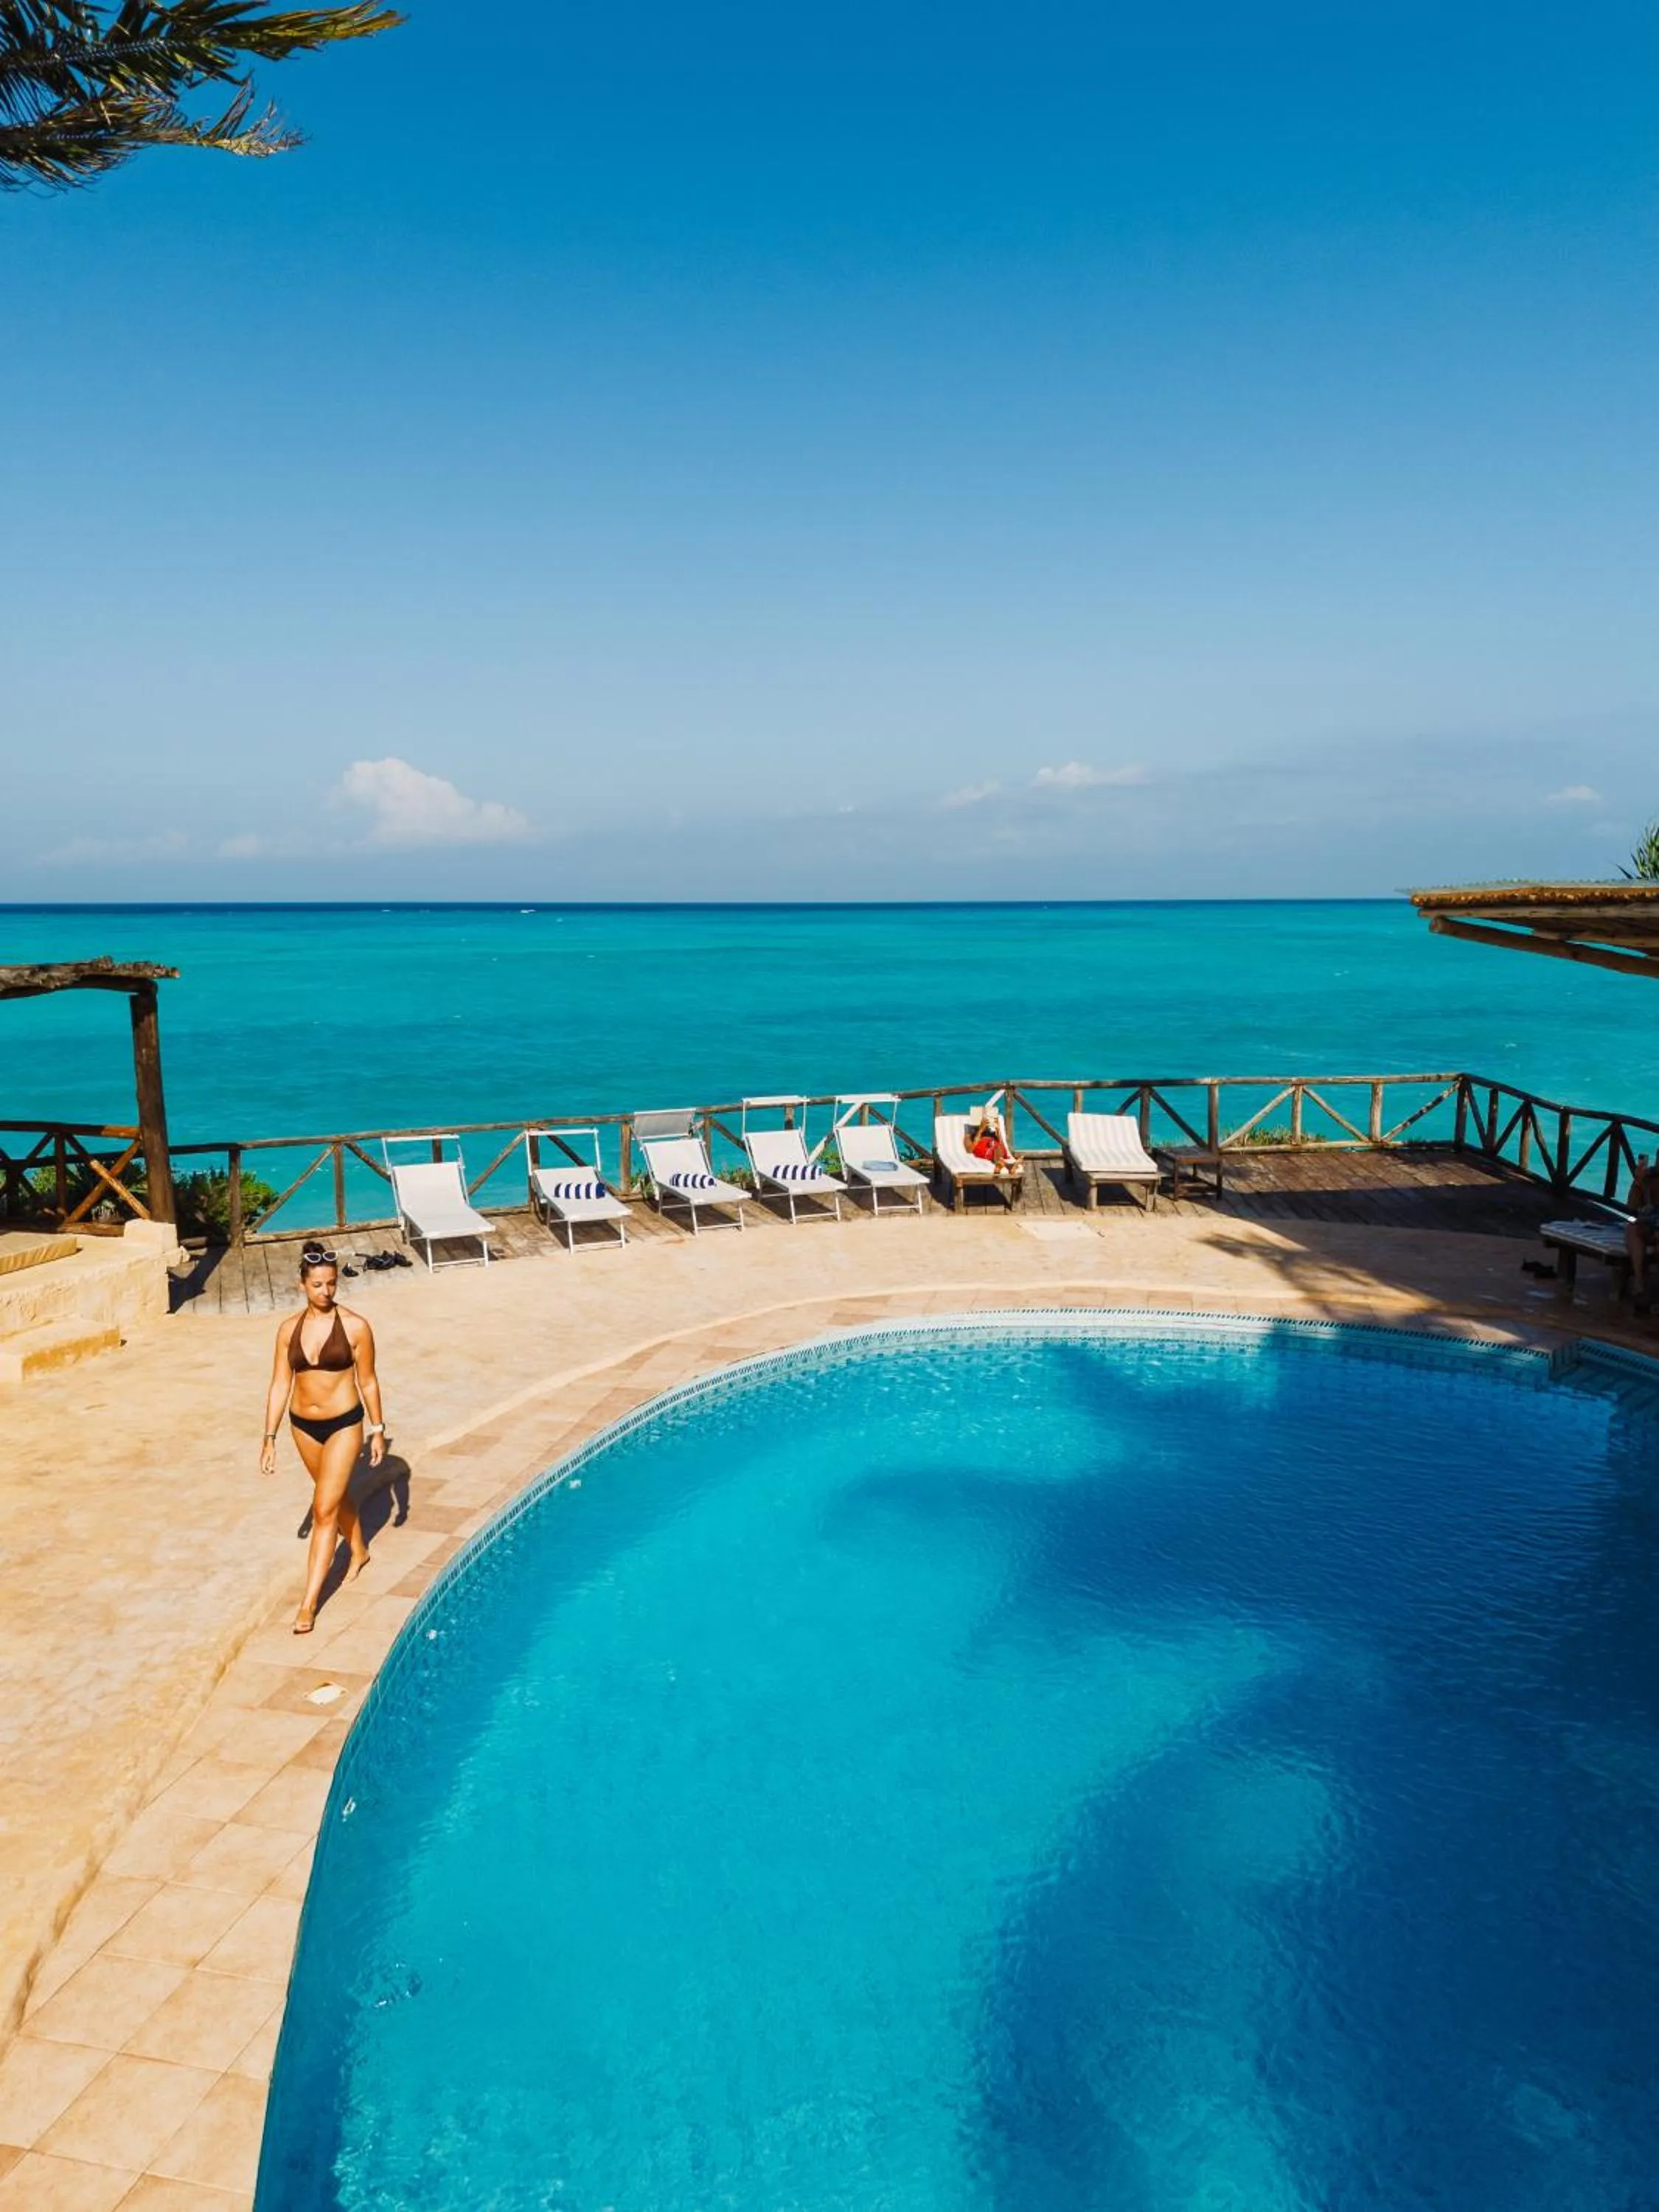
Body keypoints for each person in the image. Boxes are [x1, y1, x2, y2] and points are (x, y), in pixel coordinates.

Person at [261, 1244, 386, 1633]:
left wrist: (378, 1429)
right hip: (302, 1426)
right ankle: (360, 1548)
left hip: (345, 1425)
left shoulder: (355, 1327)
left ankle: (309, 1602)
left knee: (322, 1511)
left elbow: (367, 1379)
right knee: (328, 1498)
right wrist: (270, 1436)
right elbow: (281, 1383)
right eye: (317, 1285)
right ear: (302, 1284)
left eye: (331, 1284)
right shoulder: (287, 1331)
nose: (326, 1292)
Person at [1625, 1155, 1659, 1315]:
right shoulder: (1649, 1178)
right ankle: (1639, 1281)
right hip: (1651, 1223)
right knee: (1632, 1227)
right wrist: (1638, 1183)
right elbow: (1631, 1206)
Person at [969, 1109, 1019, 1176]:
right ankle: (1006, 1166)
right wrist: (981, 1129)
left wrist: (998, 1129)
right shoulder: (976, 1134)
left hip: (995, 1148)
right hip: (984, 1148)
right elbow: (973, 1147)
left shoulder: (992, 1133)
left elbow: (1001, 1141)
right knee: (996, 1147)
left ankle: (1001, 1166)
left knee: (998, 1146)